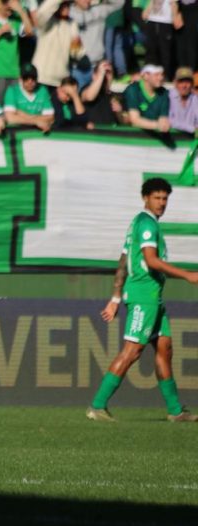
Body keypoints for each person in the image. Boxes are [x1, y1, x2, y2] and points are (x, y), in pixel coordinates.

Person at [87, 177, 198, 423]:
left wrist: (115, 297)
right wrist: (188, 275)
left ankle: (176, 411)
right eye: (157, 198)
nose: (161, 203)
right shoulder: (147, 224)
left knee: (164, 348)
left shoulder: (137, 223)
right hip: (143, 297)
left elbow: (123, 261)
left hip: (152, 298)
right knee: (133, 350)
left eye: (165, 198)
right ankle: (97, 406)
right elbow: (151, 261)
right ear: (145, 198)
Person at [0, 0, 33, 105]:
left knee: (12, 107)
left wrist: (21, 11)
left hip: (13, 73)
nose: (10, 10)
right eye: (8, 6)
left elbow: (29, 32)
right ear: (1, 4)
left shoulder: (14, 21)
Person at [68, 0, 124, 90]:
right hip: (77, 69)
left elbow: (120, 3)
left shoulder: (99, 10)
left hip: (96, 67)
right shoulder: (68, 12)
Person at [32, 0, 85, 93]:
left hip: (60, 80)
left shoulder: (72, 23)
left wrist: (77, 46)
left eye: (68, 5)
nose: (67, 8)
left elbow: (76, 55)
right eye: (63, 5)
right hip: (41, 77)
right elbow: (42, 13)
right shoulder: (46, 22)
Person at [3, 63, 54, 131]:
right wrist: (36, 122)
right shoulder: (12, 91)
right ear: (20, 78)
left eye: (33, 78)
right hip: (18, 131)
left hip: (39, 133)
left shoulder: (43, 90)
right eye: (26, 78)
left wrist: (24, 116)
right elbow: (10, 118)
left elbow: (50, 118)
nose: (30, 81)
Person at [122, 63, 170, 132]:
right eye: (156, 75)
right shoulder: (133, 90)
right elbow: (135, 120)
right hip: (133, 136)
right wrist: (157, 125)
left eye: (162, 75)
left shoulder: (163, 92)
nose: (161, 78)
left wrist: (163, 125)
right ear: (145, 76)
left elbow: (163, 118)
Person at [80, 59, 123, 128]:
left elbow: (125, 122)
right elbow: (89, 97)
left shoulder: (116, 97)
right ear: (94, 75)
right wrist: (101, 75)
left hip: (111, 135)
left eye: (108, 72)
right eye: (102, 72)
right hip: (92, 135)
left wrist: (119, 113)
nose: (105, 75)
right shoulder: (86, 89)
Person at [167, 66, 198, 134]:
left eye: (187, 82)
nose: (184, 85)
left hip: (191, 140)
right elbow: (169, 120)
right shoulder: (168, 96)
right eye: (181, 82)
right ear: (175, 83)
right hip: (170, 138)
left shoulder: (195, 99)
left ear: (192, 84)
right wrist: (193, 129)